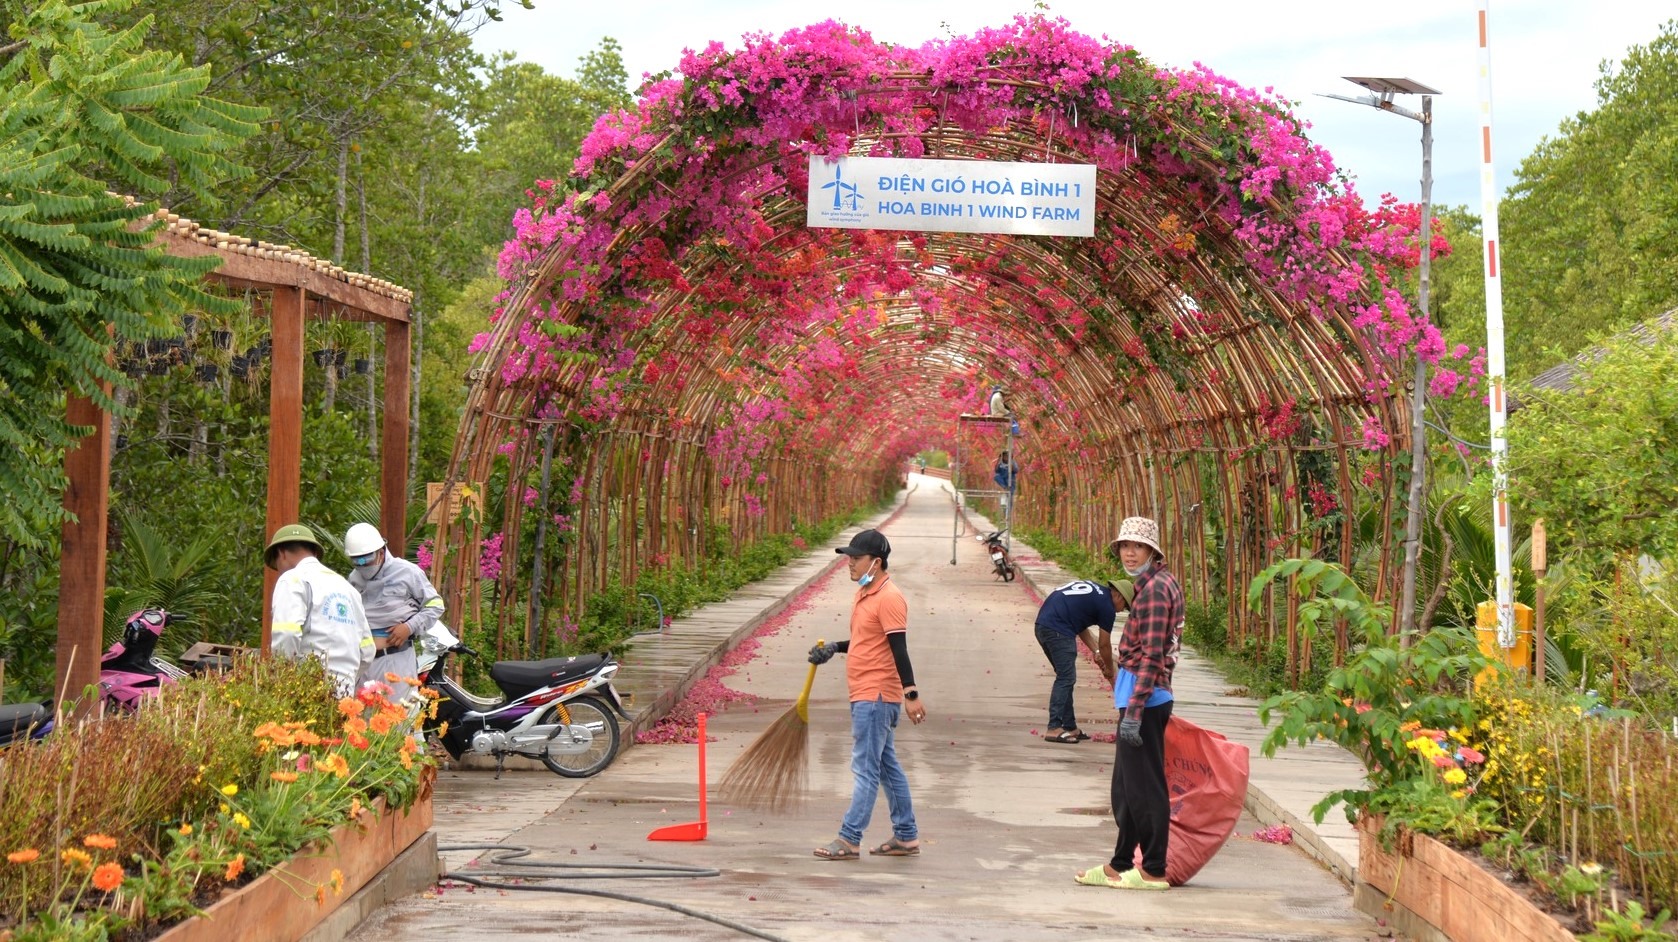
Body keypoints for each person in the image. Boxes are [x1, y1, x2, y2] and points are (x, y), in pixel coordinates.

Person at [1076, 516, 1183, 891]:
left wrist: (1134, 713)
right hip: (1140, 696)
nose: (1130, 552)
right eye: (1124, 546)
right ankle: (1120, 864)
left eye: (1137, 546)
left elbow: (1153, 656)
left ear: (1153, 550)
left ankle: (1153, 868)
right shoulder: (1153, 583)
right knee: (1127, 789)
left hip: (1146, 699)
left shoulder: (1154, 591)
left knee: (1145, 788)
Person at [806, 528, 927, 860]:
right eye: (848, 558)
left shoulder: (889, 597)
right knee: (887, 767)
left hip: (875, 697)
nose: (850, 564)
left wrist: (911, 693)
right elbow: (866, 640)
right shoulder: (864, 594)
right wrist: (835, 647)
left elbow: (898, 649)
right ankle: (906, 836)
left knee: (865, 769)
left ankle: (849, 838)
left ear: (876, 562)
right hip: (865, 693)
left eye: (856, 559)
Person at [265, 523, 374, 697]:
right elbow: (367, 651)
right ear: (315, 552)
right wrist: (345, 679)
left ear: (281, 553)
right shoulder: (348, 589)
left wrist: (281, 680)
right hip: (344, 695)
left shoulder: (293, 579)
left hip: (305, 689)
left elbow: (287, 634)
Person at [345, 522, 444, 702]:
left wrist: (409, 627)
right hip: (365, 663)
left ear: (381, 552)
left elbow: (435, 604)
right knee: (365, 723)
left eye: (366, 559)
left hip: (397, 661)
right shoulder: (353, 579)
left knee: (400, 720)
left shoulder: (407, 572)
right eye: (356, 560)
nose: (361, 564)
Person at [1035, 578, 1135, 743]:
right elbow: (1105, 644)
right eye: (1124, 607)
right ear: (1119, 596)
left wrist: (1095, 651)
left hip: (1043, 625)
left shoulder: (1096, 592)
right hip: (1058, 630)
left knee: (1065, 677)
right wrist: (1109, 668)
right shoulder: (1107, 606)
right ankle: (1054, 727)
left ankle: (1069, 726)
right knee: (1066, 678)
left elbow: (1080, 625)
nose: (1121, 611)